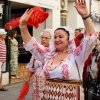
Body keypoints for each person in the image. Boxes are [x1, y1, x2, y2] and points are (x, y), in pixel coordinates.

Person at [19, 0, 98, 99]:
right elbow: (31, 44)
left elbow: (90, 39)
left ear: (69, 39)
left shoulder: (77, 55)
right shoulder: (48, 55)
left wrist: (85, 16)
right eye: (55, 37)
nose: (57, 39)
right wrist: (22, 25)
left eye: (61, 37)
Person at [25, 28, 53, 99]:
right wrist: (28, 78)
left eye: (46, 38)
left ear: (51, 39)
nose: (43, 39)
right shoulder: (37, 51)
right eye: (42, 37)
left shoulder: (53, 51)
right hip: (37, 79)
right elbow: (31, 65)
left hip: (48, 79)